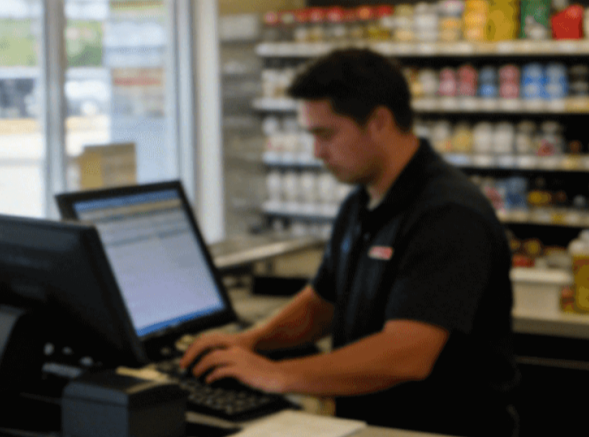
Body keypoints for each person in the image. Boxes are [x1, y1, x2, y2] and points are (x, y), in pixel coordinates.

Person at [184, 47, 518, 436]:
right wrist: (250, 342)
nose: (317, 152)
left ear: (378, 122)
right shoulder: (362, 200)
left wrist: (277, 375)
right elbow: (321, 303)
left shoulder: (448, 214)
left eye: (326, 134)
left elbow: (407, 354)